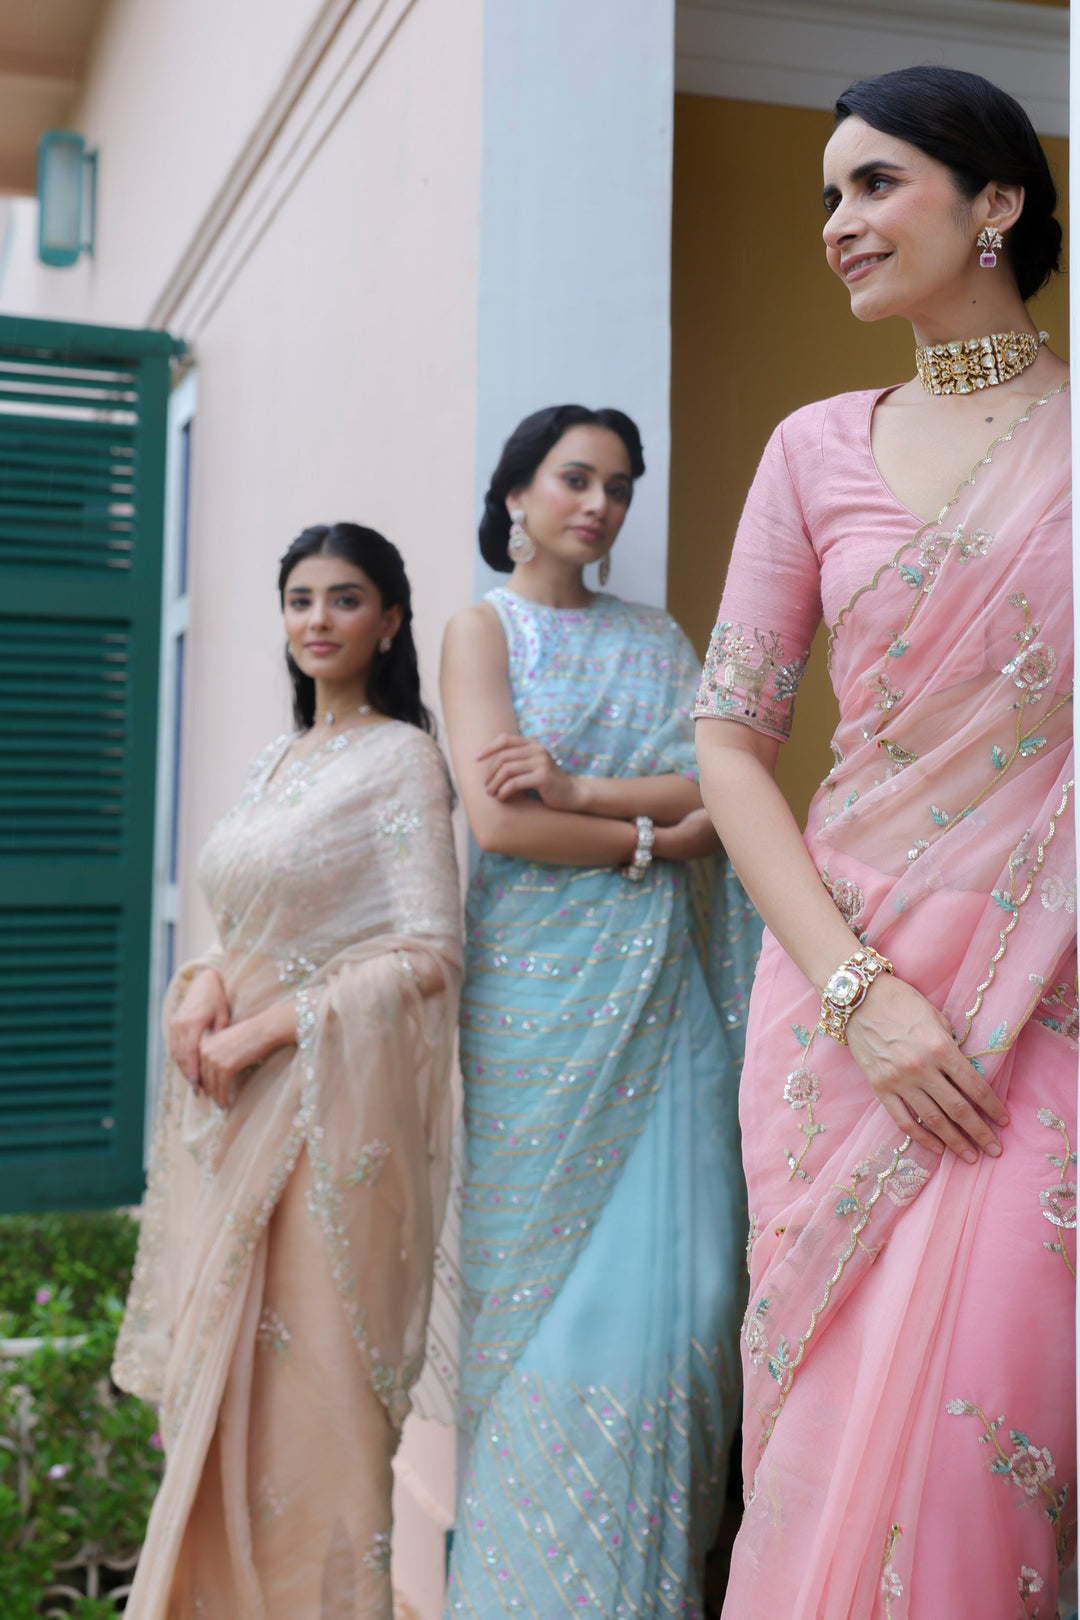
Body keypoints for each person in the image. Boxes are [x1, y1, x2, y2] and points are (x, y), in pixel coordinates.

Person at [694, 66, 1075, 1619]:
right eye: (828, 198)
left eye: (876, 184)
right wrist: (862, 992)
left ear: (996, 202)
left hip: (1048, 1015)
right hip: (839, 1019)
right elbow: (730, 742)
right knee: (823, 1452)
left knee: (989, 1442)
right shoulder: (811, 450)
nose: (840, 223)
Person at [439, 404, 760, 1616]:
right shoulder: (482, 632)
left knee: (679, 1307)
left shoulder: (658, 635)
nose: (601, 504)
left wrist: (583, 789)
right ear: (516, 492)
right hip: (534, 1011)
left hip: (662, 1002)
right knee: (548, 1327)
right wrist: (647, 837)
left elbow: (717, 781)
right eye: (576, 478)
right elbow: (501, 824)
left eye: (620, 486)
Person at [113, 523, 462, 1619]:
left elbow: (427, 950)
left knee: (308, 1403)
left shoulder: (402, 757)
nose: (318, 619)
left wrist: (269, 1030)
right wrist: (207, 981)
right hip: (239, 1106)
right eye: (300, 598)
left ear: (391, 620)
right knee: (226, 1401)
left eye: (346, 598)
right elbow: (251, 924)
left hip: (322, 1125)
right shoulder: (280, 759)